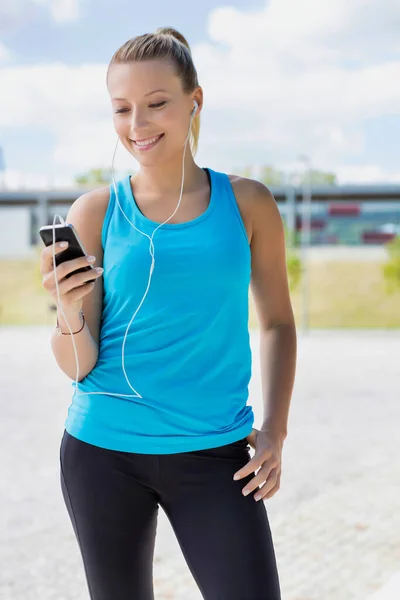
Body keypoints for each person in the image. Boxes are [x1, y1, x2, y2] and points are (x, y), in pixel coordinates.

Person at [40, 26, 296, 600]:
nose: (138, 125)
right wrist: (69, 311)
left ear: (194, 101)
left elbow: (277, 320)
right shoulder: (95, 212)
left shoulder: (249, 203)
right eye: (123, 109)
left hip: (215, 454)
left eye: (156, 104)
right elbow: (78, 365)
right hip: (103, 452)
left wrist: (276, 429)